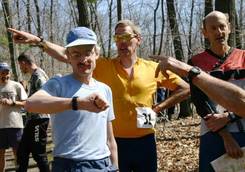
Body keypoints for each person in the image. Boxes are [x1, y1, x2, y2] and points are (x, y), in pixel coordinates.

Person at [8, 20, 190, 172]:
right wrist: (39, 41)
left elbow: (184, 88)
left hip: (145, 140)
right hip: (115, 142)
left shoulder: (152, 68)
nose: (122, 42)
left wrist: (157, 108)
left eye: (126, 36)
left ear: (138, 40)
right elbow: (69, 54)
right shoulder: (103, 65)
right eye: (118, 38)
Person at [24, 27, 118, 172]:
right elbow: (30, 104)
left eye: (88, 53)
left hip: (103, 164)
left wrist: (115, 166)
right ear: (68, 56)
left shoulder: (105, 89)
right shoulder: (59, 84)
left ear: (96, 54)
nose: (83, 59)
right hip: (70, 164)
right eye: (76, 54)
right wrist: (76, 103)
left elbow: (110, 138)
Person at [187, 11, 245, 172]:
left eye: (222, 26)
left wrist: (228, 117)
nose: (219, 32)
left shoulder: (243, 57)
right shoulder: (196, 62)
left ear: (229, 28)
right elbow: (199, 103)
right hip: (213, 133)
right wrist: (225, 135)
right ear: (205, 32)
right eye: (213, 28)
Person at [16, 53, 50, 172]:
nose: (21, 68)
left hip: (40, 119)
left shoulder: (39, 76)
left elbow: (46, 97)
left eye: (21, 65)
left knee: (38, 153)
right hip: (32, 120)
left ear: (24, 63)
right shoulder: (34, 76)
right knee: (22, 151)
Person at [0, 62, 27, 172]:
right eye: (2, 72)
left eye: (7, 72)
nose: (5, 75)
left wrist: (12, 103)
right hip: (0, 126)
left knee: (18, 153)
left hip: (15, 124)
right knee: (0, 155)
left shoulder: (16, 85)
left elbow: (26, 103)